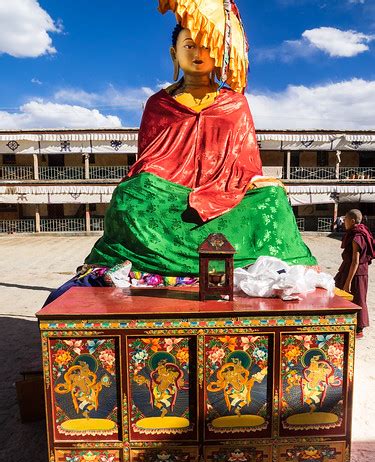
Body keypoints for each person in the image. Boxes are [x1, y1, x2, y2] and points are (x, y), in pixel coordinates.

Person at [45, 2, 316, 304]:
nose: (198, 54)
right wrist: (150, 182)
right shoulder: (158, 104)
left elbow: (246, 158)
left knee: (272, 199)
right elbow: (149, 159)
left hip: (227, 188)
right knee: (130, 196)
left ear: (218, 54)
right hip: (170, 190)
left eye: (206, 46)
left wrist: (252, 180)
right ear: (174, 54)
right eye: (189, 45)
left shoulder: (235, 103)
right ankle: (150, 262)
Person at [335, 209, 375, 338]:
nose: (343, 222)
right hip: (348, 269)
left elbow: (355, 261)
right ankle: (344, 322)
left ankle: (359, 328)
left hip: (356, 272)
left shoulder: (357, 236)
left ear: (352, 221)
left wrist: (348, 282)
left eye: (345, 219)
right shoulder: (356, 232)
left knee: (358, 298)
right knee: (337, 290)